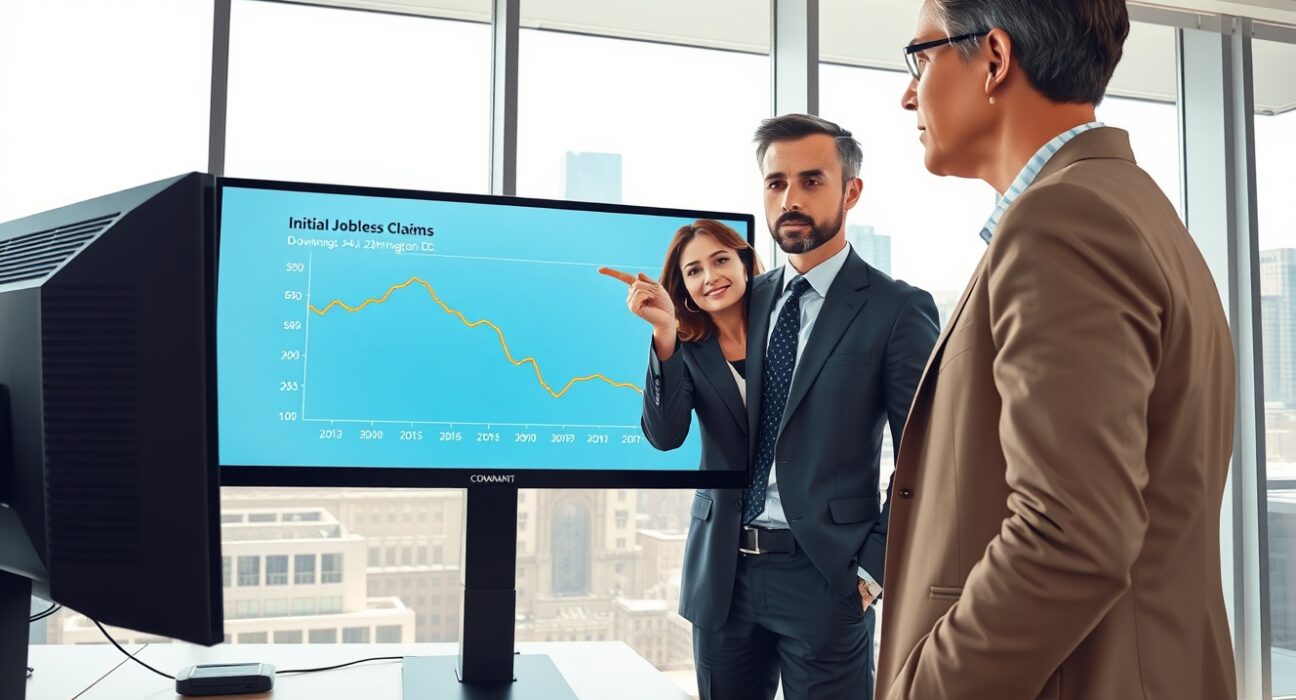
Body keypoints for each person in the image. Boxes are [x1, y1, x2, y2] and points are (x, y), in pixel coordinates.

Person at [876, 2, 1236, 699]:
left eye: (919, 56)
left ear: (995, 59)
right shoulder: (1130, 206)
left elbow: (1072, 534)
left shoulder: (1061, 222)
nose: (907, 91)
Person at [626, 113, 939, 700]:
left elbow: (928, 458)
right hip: (723, 576)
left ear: (851, 191)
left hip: (827, 580)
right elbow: (667, 435)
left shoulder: (896, 309)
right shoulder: (742, 299)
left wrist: (872, 571)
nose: (790, 198)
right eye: (776, 184)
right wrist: (665, 338)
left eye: (811, 181)